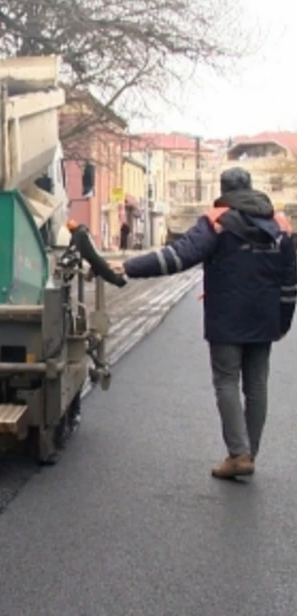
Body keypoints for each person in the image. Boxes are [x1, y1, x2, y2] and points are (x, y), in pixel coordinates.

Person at [111, 167, 297, 480]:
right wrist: (283, 321)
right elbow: (291, 281)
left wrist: (129, 267)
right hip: (265, 318)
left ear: (223, 191)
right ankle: (249, 453)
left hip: (226, 317)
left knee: (226, 380)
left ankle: (238, 454)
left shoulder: (216, 222)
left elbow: (178, 257)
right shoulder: (280, 225)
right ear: (250, 188)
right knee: (256, 384)